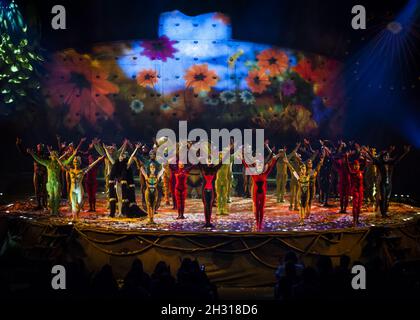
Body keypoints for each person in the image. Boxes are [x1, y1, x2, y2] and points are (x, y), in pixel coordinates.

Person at [27, 139, 83, 215]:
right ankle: (51, 211)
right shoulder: (48, 163)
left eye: (55, 155)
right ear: (51, 156)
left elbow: (68, 161)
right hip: (50, 183)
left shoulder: (58, 164)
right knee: (51, 197)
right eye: (53, 155)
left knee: (56, 197)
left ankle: (55, 211)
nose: (54, 156)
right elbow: (39, 159)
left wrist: (73, 155)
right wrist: (32, 154)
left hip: (56, 183)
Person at [366, 145, 411, 217]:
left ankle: (385, 212)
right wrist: (368, 152)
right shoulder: (380, 163)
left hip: (389, 183)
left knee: (387, 198)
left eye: (387, 156)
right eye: (384, 157)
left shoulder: (391, 163)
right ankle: (383, 213)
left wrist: (405, 152)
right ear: (382, 157)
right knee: (383, 198)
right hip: (382, 183)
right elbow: (374, 158)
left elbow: (398, 158)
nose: (386, 158)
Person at [243, 149, 280, 231]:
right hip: (256, 193)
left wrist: (275, 158)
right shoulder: (253, 173)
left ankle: (260, 224)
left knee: (261, 209)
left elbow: (271, 165)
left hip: (262, 194)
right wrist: (242, 159)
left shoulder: (265, 173)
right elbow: (246, 165)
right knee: (256, 208)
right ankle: (257, 224)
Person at [57, 155, 104, 219]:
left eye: (77, 162)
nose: (76, 163)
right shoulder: (70, 170)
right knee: (73, 204)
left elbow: (90, 166)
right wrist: (57, 158)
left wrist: (98, 160)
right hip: (72, 189)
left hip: (79, 189)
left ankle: (77, 216)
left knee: (78, 204)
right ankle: (74, 218)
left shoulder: (82, 171)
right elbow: (62, 165)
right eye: (75, 162)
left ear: (79, 163)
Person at [104, 142, 140, 217]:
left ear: (124, 158)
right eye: (120, 155)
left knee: (125, 199)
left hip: (125, 185)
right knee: (119, 198)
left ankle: (125, 212)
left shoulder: (126, 165)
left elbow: (131, 157)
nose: (121, 156)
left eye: (122, 155)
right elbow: (110, 159)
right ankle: (120, 212)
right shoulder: (116, 164)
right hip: (117, 184)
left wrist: (136, 148)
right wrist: (105, 150)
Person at [16, 138, 48, 210]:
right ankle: (39, 204)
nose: (40, 147)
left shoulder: (46, 155)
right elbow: (24, 153)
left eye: (41, 146)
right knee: (37, 189)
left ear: (43, 147)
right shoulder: (34, 153)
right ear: (37, 147)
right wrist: (19, 144)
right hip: (36, 173)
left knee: (44, 189)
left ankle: (44, 204)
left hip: (44, 174)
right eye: (39, 146)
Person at [285, 157, 310, 224]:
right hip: (300, 194)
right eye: (302, 169)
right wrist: (287, 163)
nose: (303, 170)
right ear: (300, 170)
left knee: (305, 208)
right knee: (301, 207)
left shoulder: (308, 176)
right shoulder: (299, 177)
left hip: (307, 194)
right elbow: (293, 170)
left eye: (304, 169)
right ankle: (301, 220)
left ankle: (303, 218)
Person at [345, 153, 364, 226]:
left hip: (361, 191)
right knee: (355, 206)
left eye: (358, 165)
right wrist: (347, 158)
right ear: (353, 166)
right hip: (355, 191)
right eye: (355, 165)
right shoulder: (352, 172)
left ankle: (357, 219)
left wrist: (364, 155)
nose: (357, 166)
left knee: (359, 206)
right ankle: (354, 220)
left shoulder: (361, 172)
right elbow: (347, 167)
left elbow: (364, 164)